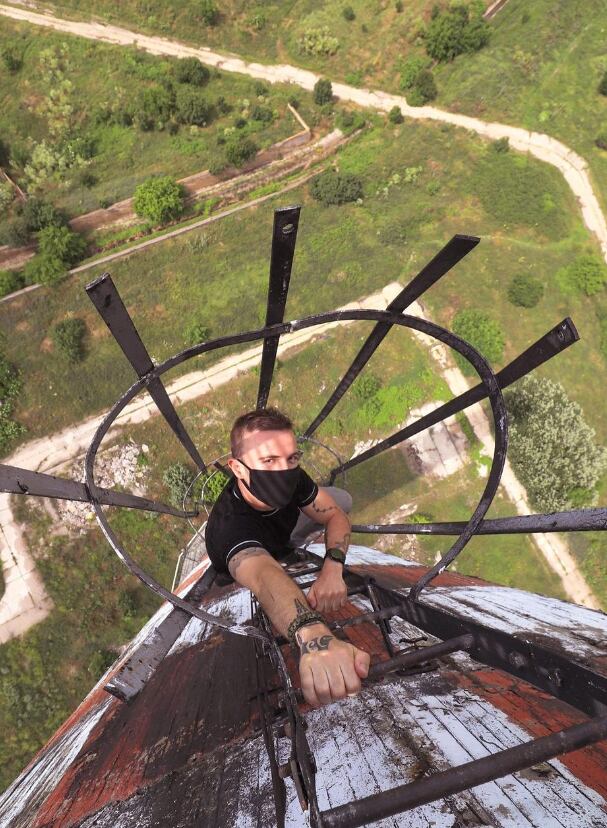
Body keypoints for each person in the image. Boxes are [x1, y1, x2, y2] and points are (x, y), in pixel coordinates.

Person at [205, 407, 370, 709]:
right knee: (269, 565)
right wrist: (312, 634)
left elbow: (335, 515)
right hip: (251, 559)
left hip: (282, 536)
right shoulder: (229, 527)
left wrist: (332, 568)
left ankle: (290, 544)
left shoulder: (293, 480)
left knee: (340, 500)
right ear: (238, 469)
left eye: (291, 458)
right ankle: (286, 549)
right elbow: (263, 575)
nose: (283, 470)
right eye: (268, 461)